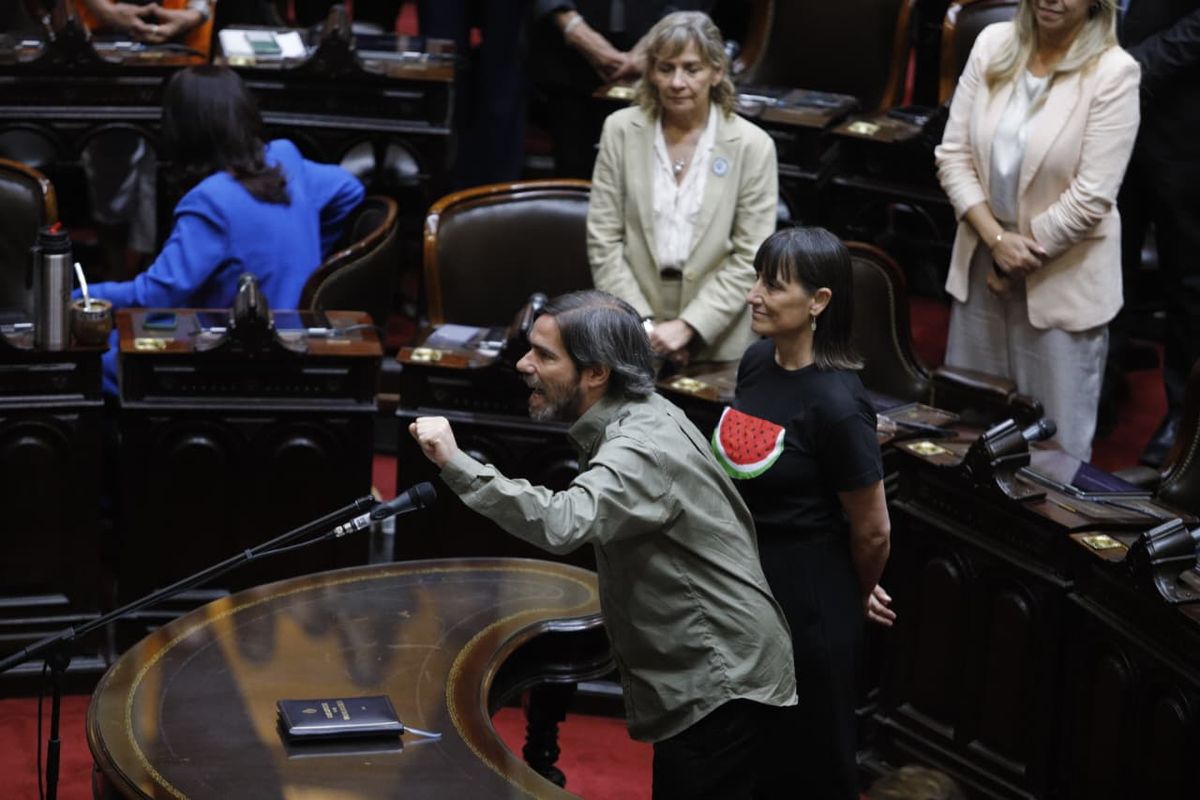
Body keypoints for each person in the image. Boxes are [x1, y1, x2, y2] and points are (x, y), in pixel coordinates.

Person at [409, 289, 797, 799]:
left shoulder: (639, 448)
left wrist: (455, 462)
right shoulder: (645, 411)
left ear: (596, 373)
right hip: (726, 670)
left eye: (544, 355)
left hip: (721, 680)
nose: (524, 364)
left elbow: (562, 521)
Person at [711, 227, 894, 800]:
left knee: (808, 766)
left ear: (819, 301)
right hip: (746, 589)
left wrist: (854, 589)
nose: (753, 295)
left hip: (809, 607)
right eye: (756, 280)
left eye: (773, 285)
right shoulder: (756, 362)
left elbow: (873, 530)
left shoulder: (839, 404)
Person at [935, 0, 1141, 461]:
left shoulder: (1114, 72)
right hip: (981, 262)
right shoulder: (992, 44)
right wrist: (996, 241)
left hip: (1061, 277)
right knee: (969, 435)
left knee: (1054, 452)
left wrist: (1015, 260)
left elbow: (1091, 196)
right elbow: (953, 156)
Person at [81, 66, 364, 394]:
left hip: (230, 359)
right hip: (294, 338)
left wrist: (82, 295)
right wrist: (313, 254)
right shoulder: (284, 158)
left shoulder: (210, 201)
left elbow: (155, 295)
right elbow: (350, 190)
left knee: (91, 361)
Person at [586, 10, 777, 367]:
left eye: (691, 69)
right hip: (631, 332)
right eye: (666, 68)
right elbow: (603, 239)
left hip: (721, 338)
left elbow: (752, 255)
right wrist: (643, 325)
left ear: (716, 72)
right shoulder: (620, 130)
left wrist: (690, 326)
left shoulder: (753, 145)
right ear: (651, 72)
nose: (677, 82)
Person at [1116, 1, 1200, 466]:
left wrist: (1132, 66)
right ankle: (1101, 389)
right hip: (1106, 115)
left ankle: (1185, 415)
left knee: (1187, 281)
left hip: (1183, 122)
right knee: (1104, 264)